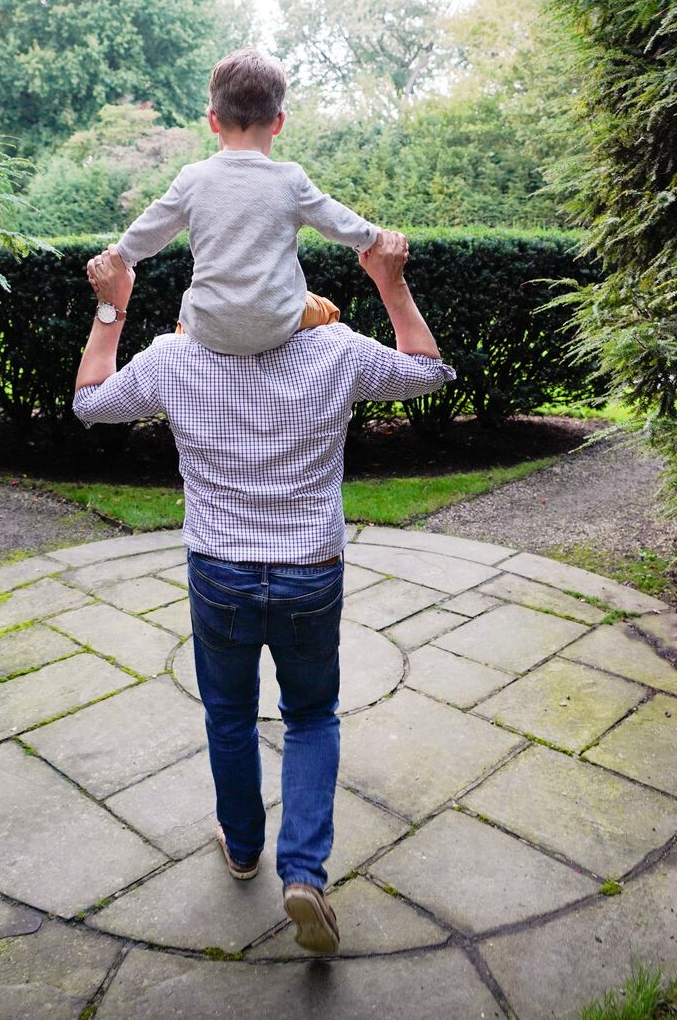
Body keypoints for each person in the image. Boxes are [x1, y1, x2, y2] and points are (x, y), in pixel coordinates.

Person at [71, 232, 454, 955]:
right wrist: (391, 283)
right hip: (311, 569)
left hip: (220, 573)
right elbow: (432, 374)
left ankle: (243, 846)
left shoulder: (173, 358)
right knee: (310, 715)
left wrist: (112, 310)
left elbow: (89, 404)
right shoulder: (337, 350)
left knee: (228, 712)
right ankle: (304, 870)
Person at [103, 47, 389, 357]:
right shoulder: (291, 180)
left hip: (207, 326)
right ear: (278, 122)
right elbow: (339, 223)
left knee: (184, 329)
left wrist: (120, 256)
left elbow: (150, 228)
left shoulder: (192, 179)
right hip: (278, 323)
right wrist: (375, 238)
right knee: (327, 310)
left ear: (213, 120)